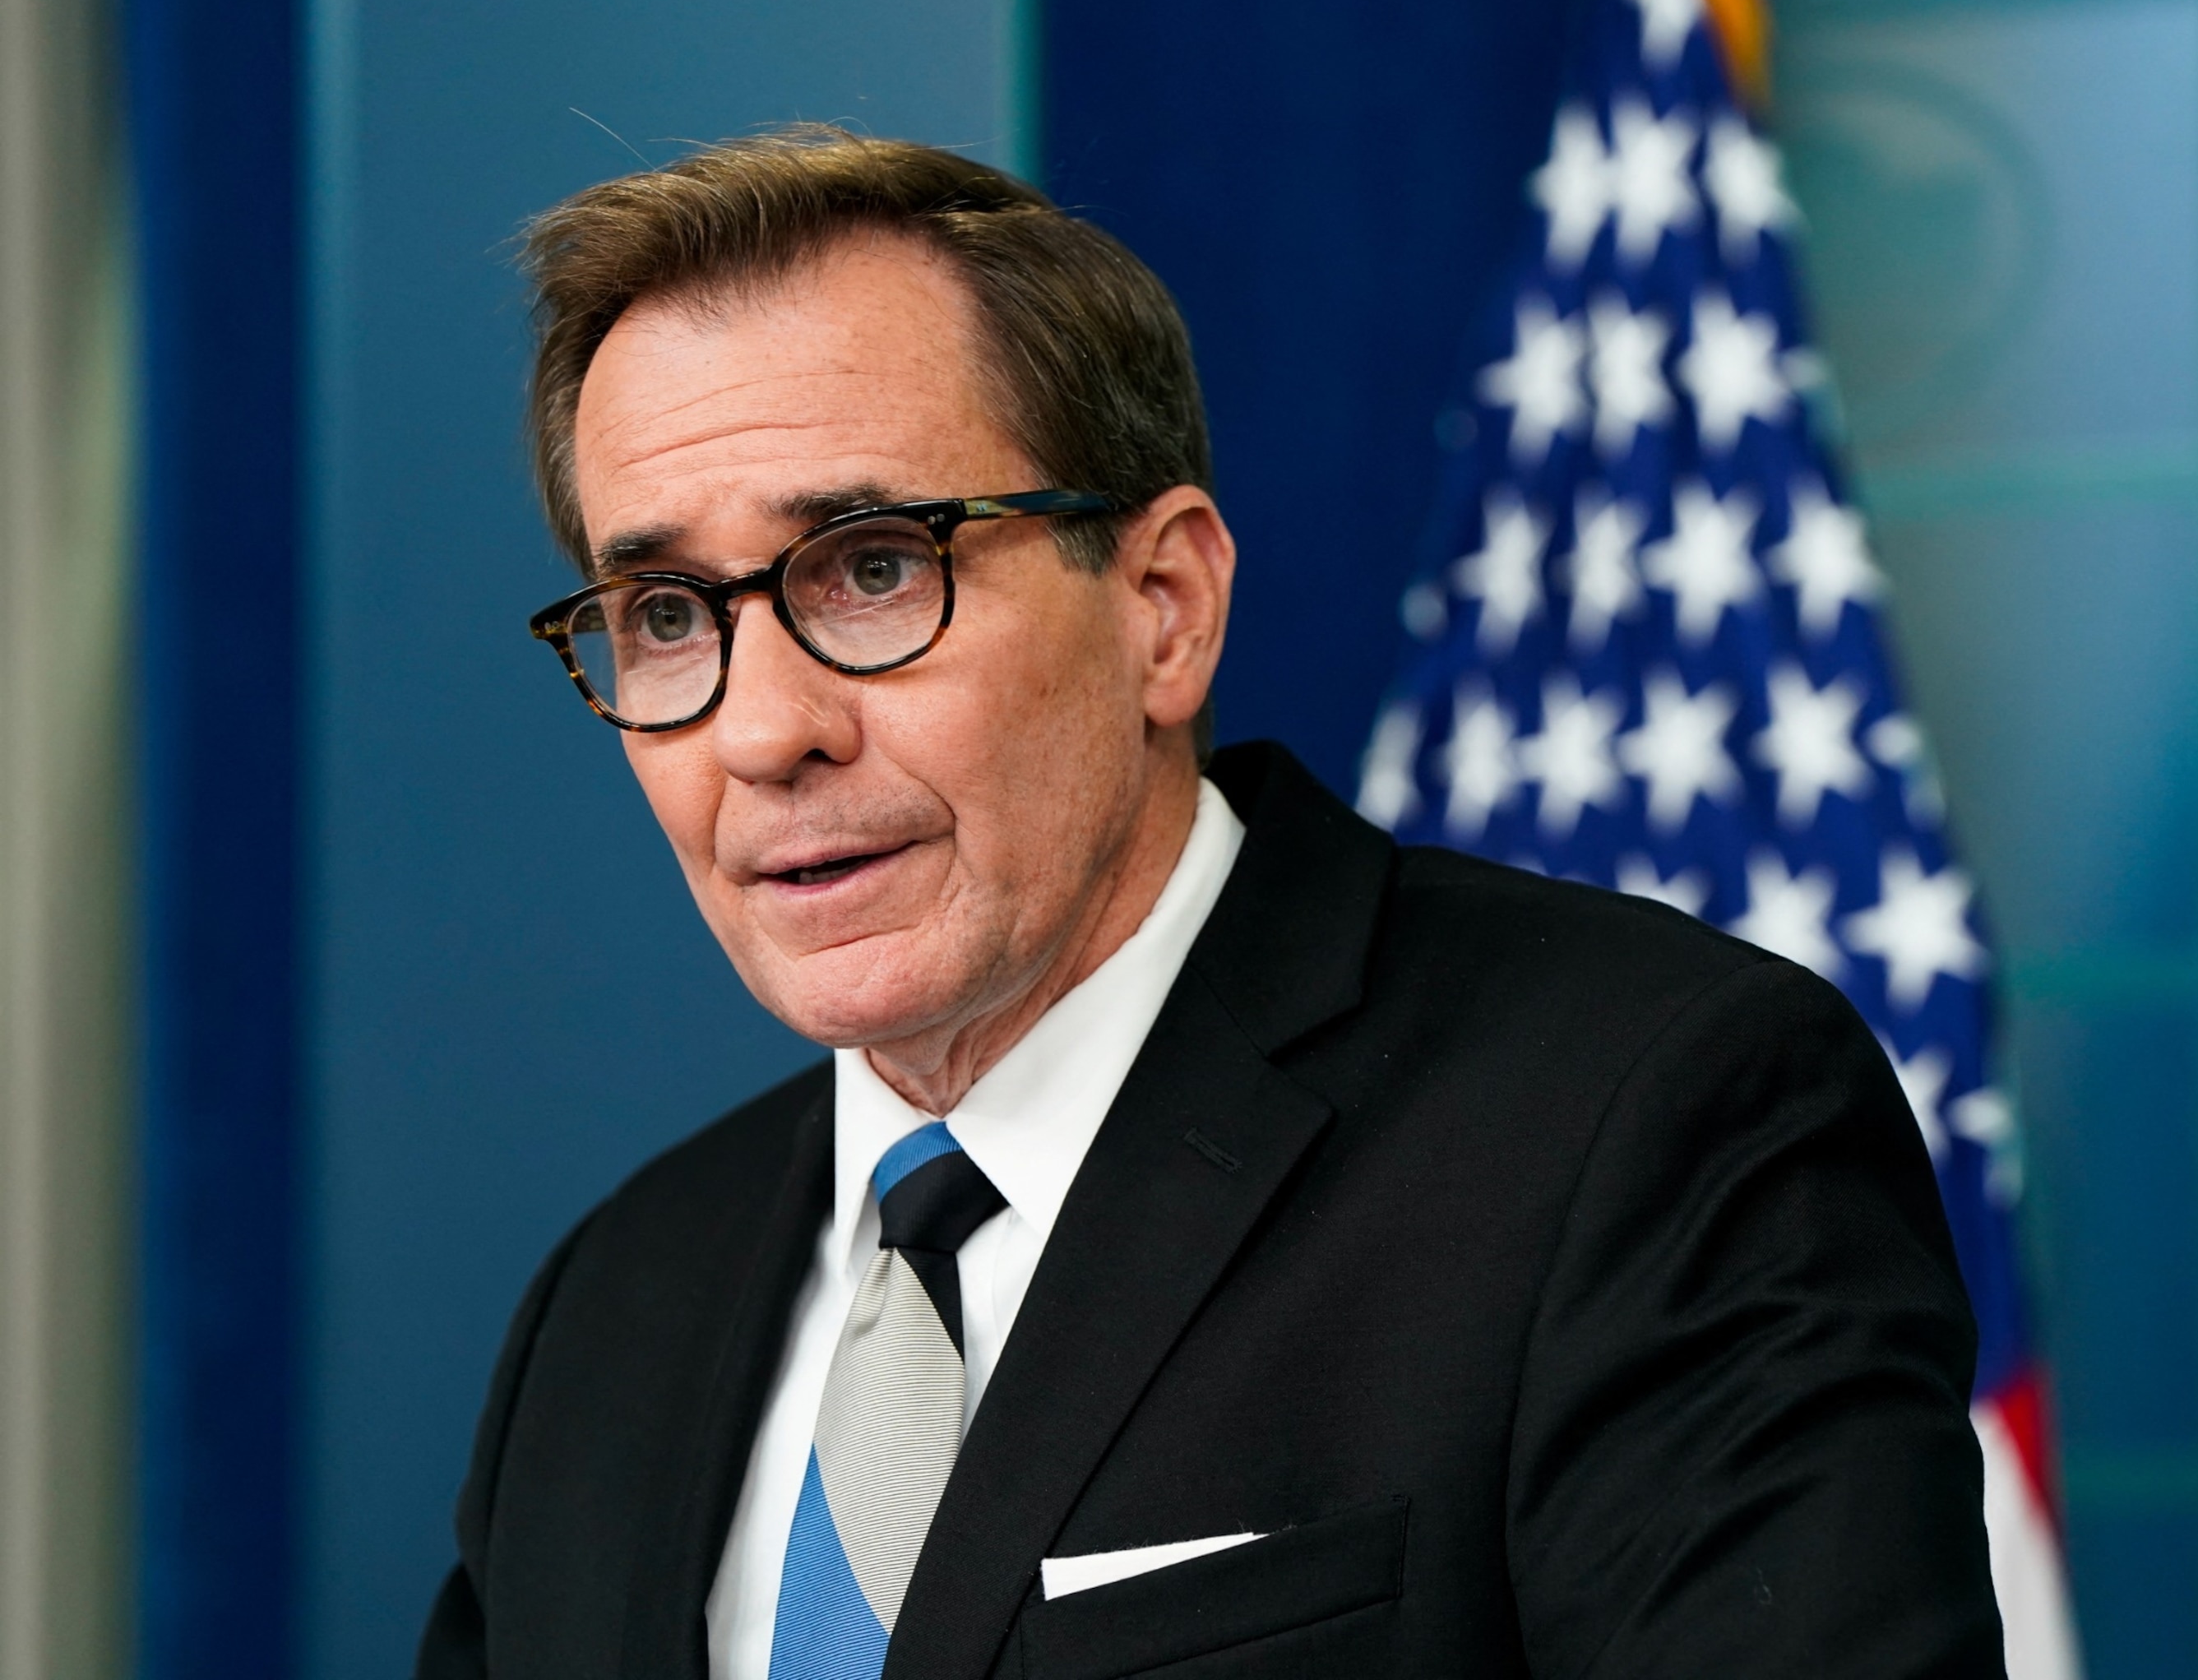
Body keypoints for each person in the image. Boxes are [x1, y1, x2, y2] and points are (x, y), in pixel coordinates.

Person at [414, 128, 2001, 1680]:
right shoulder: (614, 1309)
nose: (764, 733)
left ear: (1163, 609)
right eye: (669, 614)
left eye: (875, 568)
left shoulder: (1649, 1122)